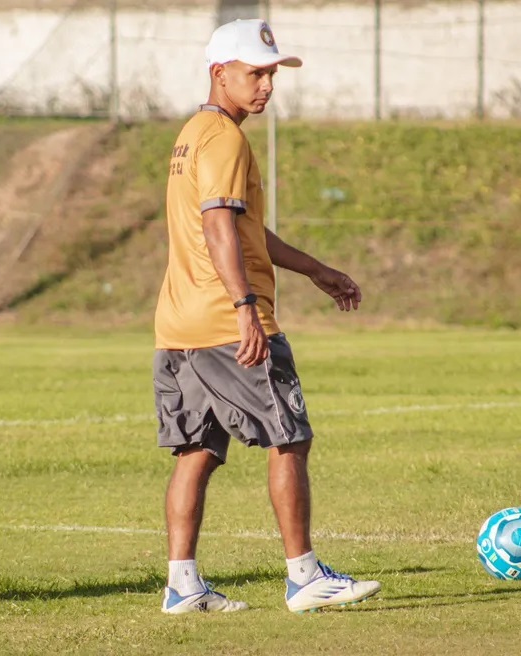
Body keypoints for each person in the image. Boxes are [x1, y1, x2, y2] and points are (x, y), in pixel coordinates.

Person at [152, 18, 382, 615]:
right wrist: (245, 308)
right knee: (291, 438)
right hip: (227, 324)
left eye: (271, 73)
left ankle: (183, 586)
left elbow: (244, 227)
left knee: (196, 453)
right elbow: (218, 226)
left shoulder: (193, 133)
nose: (266, 86)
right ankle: (305, 577)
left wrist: (314, 269)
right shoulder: (226, 138)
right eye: (254, 73)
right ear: (218, 73)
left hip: (178, 325)